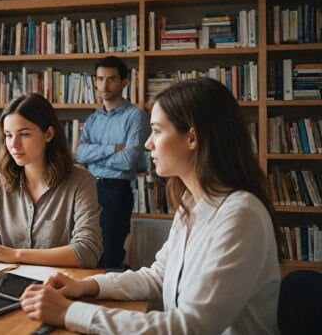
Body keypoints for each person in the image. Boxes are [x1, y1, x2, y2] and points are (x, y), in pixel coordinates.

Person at [20, 77, 284, 334]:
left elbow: (191, 326)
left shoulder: (240, 215)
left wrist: (68, 312)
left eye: (156, 131)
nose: (147, 143)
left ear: (192, 138)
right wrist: (86, 286)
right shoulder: (191, 203)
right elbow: (157, 276)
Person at [0, 93, 103, 268]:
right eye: (8, 135)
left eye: (24, 134)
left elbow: (86, 252)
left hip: (59, 287)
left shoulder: (81, 181)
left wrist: (15, 254)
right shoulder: (2, 184)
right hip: (12, 284)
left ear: (48, 134)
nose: (14, 144)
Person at [76, 55, 151, 268]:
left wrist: (95, 159)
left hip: (116, 191)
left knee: (110, 253)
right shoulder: (93, 119)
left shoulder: (136, 117)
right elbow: (80, 154)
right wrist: (111, 149)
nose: (104, 85)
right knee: (85, 249)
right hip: (88, 189)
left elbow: (128, 160)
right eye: (100, 79)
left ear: (124, 82)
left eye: (111, 79)